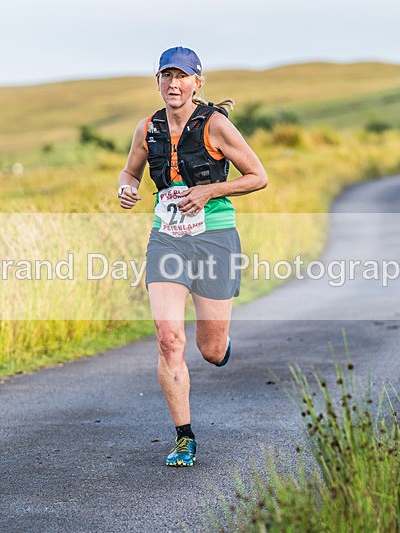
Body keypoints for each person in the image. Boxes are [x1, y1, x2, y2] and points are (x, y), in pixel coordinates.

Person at [117, 46, 268, 467]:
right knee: (169, 340)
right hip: (167, 239)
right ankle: (184, 437)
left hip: (214, 238)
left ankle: (221, 346)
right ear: (158, 82)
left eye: (181, 76)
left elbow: (259, 176)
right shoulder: (147, 128)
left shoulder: (216, 126)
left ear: (197, 82)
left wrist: (208, 190)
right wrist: (126, 187)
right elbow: (130, 171)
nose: (173, 84)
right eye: (166, 76)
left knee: (210, 349)